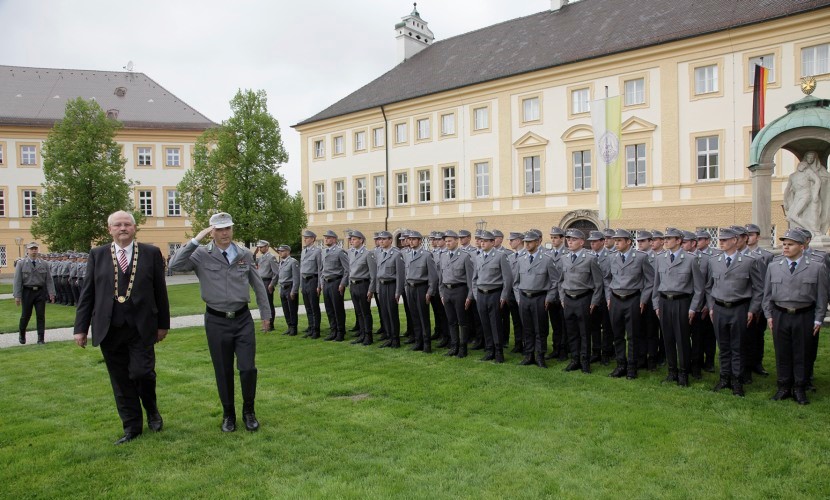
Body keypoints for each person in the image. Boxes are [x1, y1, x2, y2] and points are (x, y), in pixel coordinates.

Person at [73, 211, 171, 444]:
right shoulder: (97, 255)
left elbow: (160, 291)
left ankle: (151, 408)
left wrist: (163, 325)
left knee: (142, 373)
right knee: (120, 380)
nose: (123, 228)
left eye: (127, 224)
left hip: (141, 327)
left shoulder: (150, 253)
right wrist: (80, 328)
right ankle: (132, 427)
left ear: (135, 228)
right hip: (110, 327)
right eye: (117, 225)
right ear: (110, 230)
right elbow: (88, 293)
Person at [169, 212, 271, 432]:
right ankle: (228, 415)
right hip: (217, 320)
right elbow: (175, 265)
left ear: (232, 230)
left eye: (228, 228)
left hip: (242, 319)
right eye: (219, 229)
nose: (225, 233)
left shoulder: (244, 254)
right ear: (211, 231)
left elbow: (258, 285)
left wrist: (266, 314)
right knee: (223, 370)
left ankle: (249, 412)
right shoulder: (200, 254)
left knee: (247, 368)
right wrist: (196, 239)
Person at [763, 229, 828, 405]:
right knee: (782, 352)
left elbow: (822, 296)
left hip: (804, 315)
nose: (785, 247)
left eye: (790, 244)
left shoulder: (816, 266)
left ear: (802, 246)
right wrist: (769, 315)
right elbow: (767, 294)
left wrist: (818, 319)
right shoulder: (774, 266)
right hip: (780, 314)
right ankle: (783, 386)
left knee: (802, 352)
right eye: (784, 244)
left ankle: (799, 388)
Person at [705, 228, 764, 397]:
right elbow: (708, 286)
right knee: (723, 346)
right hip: (719, 307)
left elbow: (758, 289)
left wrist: (752, 309)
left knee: (737, 346)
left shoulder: (748, 261)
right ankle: (724, 378)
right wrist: (711, 306)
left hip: (739, 307)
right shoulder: (714, 261)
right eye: (720, 240)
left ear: (735, 240)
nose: (721, 242)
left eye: (725, 240)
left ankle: (737, 380)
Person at [652, 228, 704, 387]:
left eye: (669, 238)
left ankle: (683, 373)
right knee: (667, 338)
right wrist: (656, 304)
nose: (665, 240)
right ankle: (671, 371)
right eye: (665, 238)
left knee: (682, 339)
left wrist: (693, 308)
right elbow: (656, 284)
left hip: (682, 302)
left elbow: (699, 288)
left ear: (679, 240)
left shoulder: (690, 259)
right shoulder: (660, 258)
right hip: (664, 302)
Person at [605, 229, 654, 380]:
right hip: (615, 299)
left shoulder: (640, 257)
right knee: (617, 334)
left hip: (633, 298)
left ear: (628, 242)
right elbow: (606, 278)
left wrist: (643, 299)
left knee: (633, 335)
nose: (617, 243)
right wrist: (608, 296)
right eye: (616, 240)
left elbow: (650, 281)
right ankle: (621, 365)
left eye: (620, 240)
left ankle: (632, 366)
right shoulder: (612, 257)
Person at [558, 229, 604, 373]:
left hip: (584, 299)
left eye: (573, 239)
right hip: (568, 300)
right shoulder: (564, 258)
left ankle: (585, 361)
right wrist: (562, 298)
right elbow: (560, 281)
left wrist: (594, 301)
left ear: (582, 242)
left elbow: (598, 283)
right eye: (568, 239)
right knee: (572, 332)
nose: (569, 242)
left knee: (584, 332)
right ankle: (575, 359)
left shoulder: (590, 258)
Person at [514, 230, 560, 368]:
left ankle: (540, 355)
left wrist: (549, 298)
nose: (527, 244)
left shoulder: (546, 259)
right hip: (524, 298)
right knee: (527, 328)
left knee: (540, 328)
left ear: (538, 242)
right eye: (525, 242)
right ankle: (529, 355)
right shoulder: (520, 259)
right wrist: (518, 298)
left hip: (540, 298)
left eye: (530, 242)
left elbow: (554, 281)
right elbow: (515, 282)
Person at [472, 230, 513, 363]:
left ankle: (499, 352)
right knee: (485, 323)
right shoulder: (478, 256)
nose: (482, 243)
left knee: (495, 324)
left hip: (495, 293)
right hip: (481, 294)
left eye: (485, 241)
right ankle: (489, 350)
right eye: (481, 240)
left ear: (492, 242)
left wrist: (504, 296)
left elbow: (507, 278)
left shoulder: (500, 256)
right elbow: (474, 278)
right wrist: (475, 294)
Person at [439, 230, 475, 357]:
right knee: (451, 321)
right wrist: (442, 293)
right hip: (447, 291)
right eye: (446, 241)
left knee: (462, 321)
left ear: (456, 241)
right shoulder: (442, 256)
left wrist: (470, 296)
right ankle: (454, 346)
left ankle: (463, 348)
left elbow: (471, 279)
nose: (447, 243)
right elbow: (440, 277)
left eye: (449, 241)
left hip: (460, 290)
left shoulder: (465, 256)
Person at [13, 242, 55, 345]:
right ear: (27, 250)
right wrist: (17, 296)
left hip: (40, 291)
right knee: (26, 315)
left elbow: (49, 280)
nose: (34, 251)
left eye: (35, 249)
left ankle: (41, 338)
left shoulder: (44, 263)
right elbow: (17, 280)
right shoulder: (21, 263)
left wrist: (51, 293)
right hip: (27, 291)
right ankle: (22, 334)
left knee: (41, 315)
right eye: (32, 249)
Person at [404, 231, 439, 353]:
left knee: (423, 317)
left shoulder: (426, 255)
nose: (411, 241)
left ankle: (427, 344)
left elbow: (433, 276)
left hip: (421, 288)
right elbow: (406, 273)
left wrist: (430, 291)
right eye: (410, 239)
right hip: (410, 288)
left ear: (420, 241)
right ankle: (418, 342)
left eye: (414, 239)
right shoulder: (407, 255)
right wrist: (406, 286)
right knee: (414, 316)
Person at [375, 231, 405, 348]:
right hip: (382, 286)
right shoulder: (379, 253)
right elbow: (378, 272)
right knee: (385, 313)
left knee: (392, 313)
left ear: (390, 240)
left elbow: (400, 275)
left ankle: (395, 339)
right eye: (380, 239)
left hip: (391, 285)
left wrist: (398, 291)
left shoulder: (396, 254)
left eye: (384, 239)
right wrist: (377, 288)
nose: (381, 241)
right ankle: (389, 337)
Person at [348, 230, 377, 345]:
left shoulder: (367, 253)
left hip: (363, 284)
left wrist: (371, 290)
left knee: (365, 312)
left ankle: (368, 336)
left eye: (354, 239)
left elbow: (373, 274)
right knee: (358, 312)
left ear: (361, 240)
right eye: (351, 239)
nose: (352, 241)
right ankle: (361, 334)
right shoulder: (350, 252)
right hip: (354, 285)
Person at [319, 230, 350, 342]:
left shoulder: (340, 252)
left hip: (336, 282)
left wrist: (342, 284)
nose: (326, 239)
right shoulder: (323, 252)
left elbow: (347, 270)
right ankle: (333, 331)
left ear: (334, 239)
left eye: (328, 238)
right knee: (329, 309)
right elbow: (322, 269)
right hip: (326, 282)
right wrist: (321, 283)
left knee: (338, 308)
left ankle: (340, 332)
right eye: (325, 238)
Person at [269, 245, 300, 336]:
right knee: (285, 309)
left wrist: (294, 291)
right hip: (282, 288)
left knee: (292, 310)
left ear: (288, 252)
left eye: (282, 251)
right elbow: (279, 276)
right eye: (279, 251)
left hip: (290, 287)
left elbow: (296, 278)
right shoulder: (281, 263)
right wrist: (273, 285)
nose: (280, 253)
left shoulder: (293, 262)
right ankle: (289, 326)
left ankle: (294, 328)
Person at [299, 230, 323, 339]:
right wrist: (300, 284)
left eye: (307, 238)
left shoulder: (317, 251)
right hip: (304, 280)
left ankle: (316, 330)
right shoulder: (304, 251)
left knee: (314, 306)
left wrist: (319, 285)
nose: (305, 239)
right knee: (307, 306)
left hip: (313, 279)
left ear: (313, 239)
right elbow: (301, 269)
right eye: (304, 237)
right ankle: (310, 327)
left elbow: (320, 269)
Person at [254, 240, 277, 331]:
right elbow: (252, 261)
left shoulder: (271, 257)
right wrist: (254, 253)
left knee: (268, 304)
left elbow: (276, 273)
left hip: (267, 282)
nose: (260, 249)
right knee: (261, 304)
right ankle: (264, 323)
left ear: (267, 246)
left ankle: (270, 325)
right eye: (259, 247)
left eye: (261, 247)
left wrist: (272, 284)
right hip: (261, 282)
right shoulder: (261, 257)